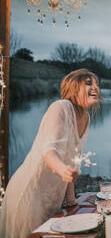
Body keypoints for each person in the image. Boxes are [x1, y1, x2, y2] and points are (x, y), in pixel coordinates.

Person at [0, 69, 102, 238]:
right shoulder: (60, 107)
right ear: (73, 87)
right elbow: (49, 150)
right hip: (30, 195)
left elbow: (73, 159)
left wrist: (71, 201)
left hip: (53, 198)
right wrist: (63, 170)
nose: (96, 88)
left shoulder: (86, 117)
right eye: (89, 83)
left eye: (97, 84)